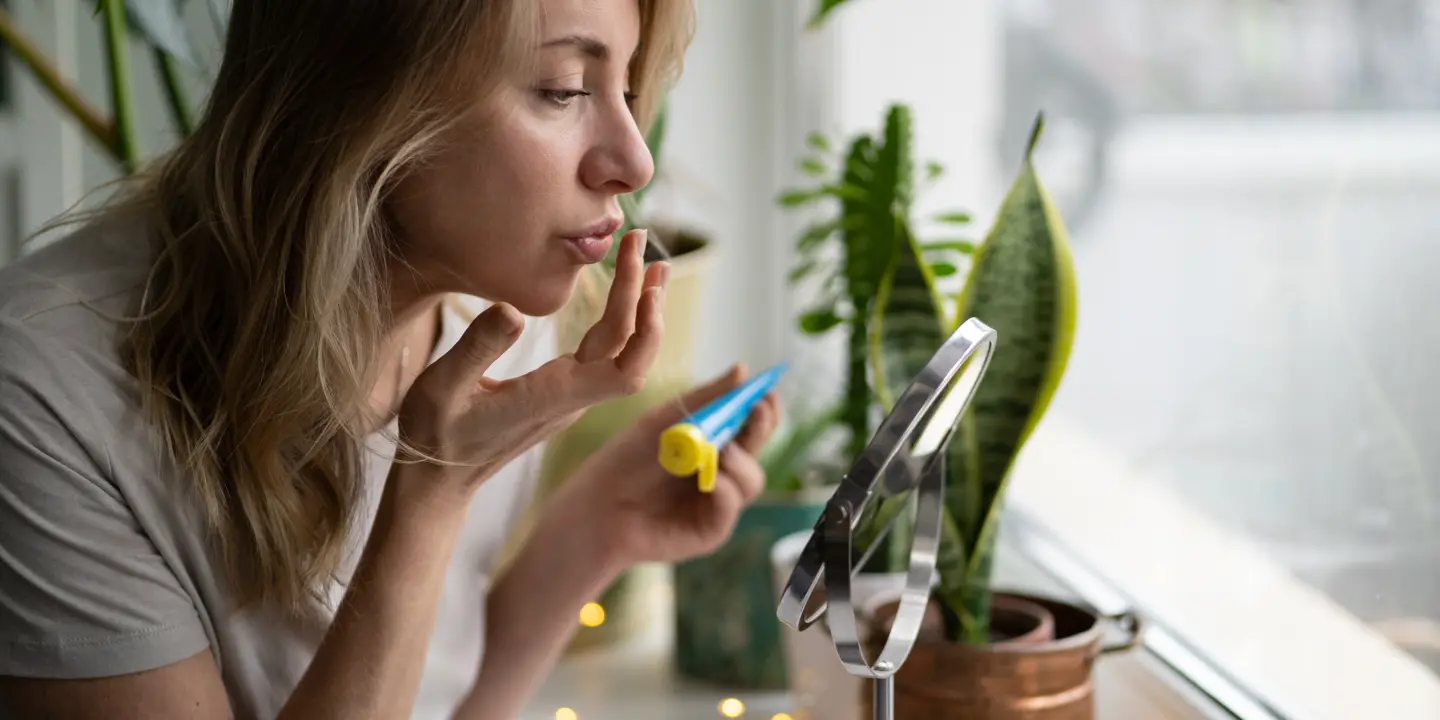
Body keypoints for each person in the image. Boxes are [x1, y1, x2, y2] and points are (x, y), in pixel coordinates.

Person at [0, 0, 781, 718]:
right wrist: (432, 494)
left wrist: (600, 524)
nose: (635, 162)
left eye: (629, 87)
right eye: (564, 89)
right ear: (366, 92)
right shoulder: (44, 392)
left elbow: (438, 700)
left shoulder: (499, 302)